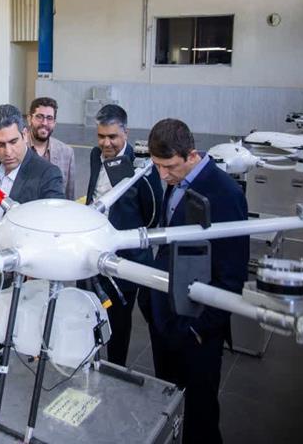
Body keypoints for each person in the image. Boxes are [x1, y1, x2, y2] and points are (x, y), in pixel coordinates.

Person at [139, 118, 249, 444]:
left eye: (169, 166)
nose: (162, 175)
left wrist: (199, 330)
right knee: (170, 405)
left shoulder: (225, 194)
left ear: (191, 154)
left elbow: (232, 275)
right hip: (166, 317)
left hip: (197, 329)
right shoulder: (177, 179)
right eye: (157, 166)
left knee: (200, 418)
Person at [84, 104, 163, 366]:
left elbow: (152, 214)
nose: (106, 143)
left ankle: (115, 368)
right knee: (89, 313)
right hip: (92, 252)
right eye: (101, 136)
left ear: (125, 133)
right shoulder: (95, 155)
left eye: (112, 137)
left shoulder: (141, 165)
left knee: (118, 322)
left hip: (124, 258)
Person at [0, 104, 64, 349]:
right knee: (0, 345)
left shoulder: (47, 174)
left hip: (25, 285)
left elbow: (54, 231)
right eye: (0, 144)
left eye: (13, 142)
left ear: (25, 134)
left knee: (25, 352)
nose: (7, 151)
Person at [26, 97, 76, 199]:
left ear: (54, 123)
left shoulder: (67, 153)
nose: (44, 123)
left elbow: (69, 197)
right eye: (39, 117)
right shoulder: (17, 149)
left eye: (49, 118)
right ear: (29, 119)